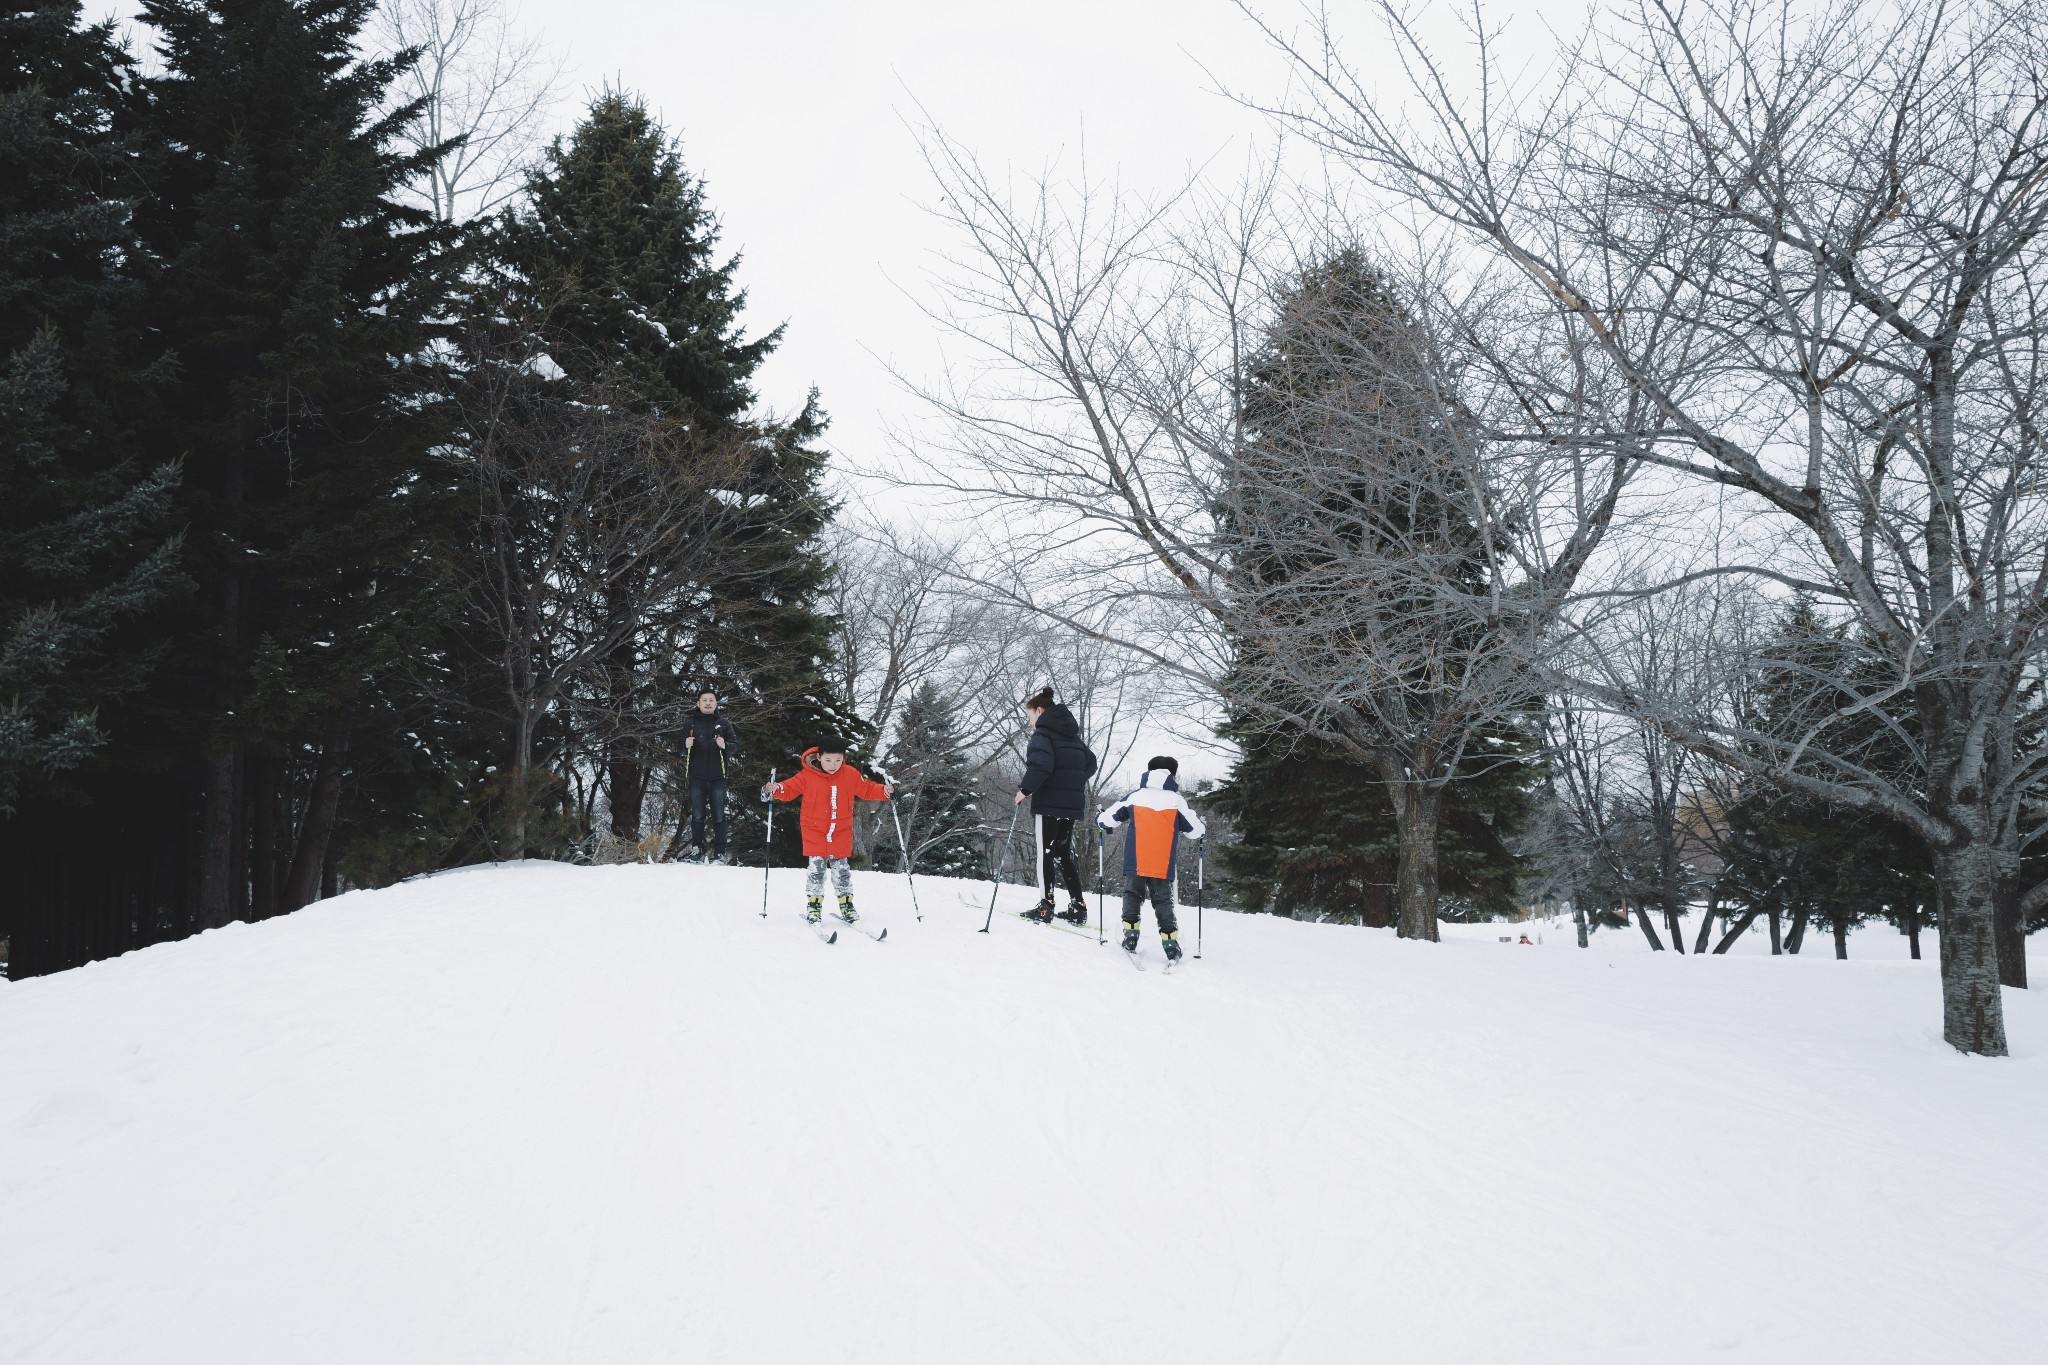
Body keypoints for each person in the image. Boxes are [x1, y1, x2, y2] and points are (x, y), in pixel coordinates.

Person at [762, 735, 893, 924]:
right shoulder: (807, 775)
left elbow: (867, 789)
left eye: (838, 760)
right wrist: (776, 789)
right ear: (819, 757)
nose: (833, 765)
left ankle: (846, 905)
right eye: (829, 760)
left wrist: (884, 791)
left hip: (840, 830)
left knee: (842, 871)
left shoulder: (849, 774)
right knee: (817, 871)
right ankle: (814, 906)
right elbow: (789, 789)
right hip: (814, 830)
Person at [1098, 755, 1205, 961]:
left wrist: (1099, 818)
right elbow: (1195, 831)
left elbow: (1107, 819)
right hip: (1162, 863)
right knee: (1163, 901)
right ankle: (1170, 942)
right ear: (1173, 775)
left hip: (1135, 861)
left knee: (1132, 894)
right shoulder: (1176, 801)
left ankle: (1130, 935)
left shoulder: (1136, 796)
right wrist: (1202, 827)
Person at [1014, 686, 1097, 924]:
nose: (1029, 721)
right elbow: (1090, 763)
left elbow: (1040, 766)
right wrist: (1072, 781)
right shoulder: (1071, 736)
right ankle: (1078, 907)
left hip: (1049, 802)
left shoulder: (1043, 735)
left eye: (1030, 715)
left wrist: (1024, 791)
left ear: (1039, 711)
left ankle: (1045, 905)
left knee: (1046, 853)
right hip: (1070, 804)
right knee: (1062, 853)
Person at [681, 690, 739, 863]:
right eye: (704, 700)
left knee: (719, 815)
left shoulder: (723, 723)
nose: (707, 703)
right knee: (697, 815)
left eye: (711, 700)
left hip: (718, 777)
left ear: (716, 703)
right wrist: (685, 744)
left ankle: (720, 853)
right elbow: (680, 749)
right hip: (696, 776)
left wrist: (725, 745)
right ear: (698, 703)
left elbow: (735, 746)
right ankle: (696, 850)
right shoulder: (690, 723)